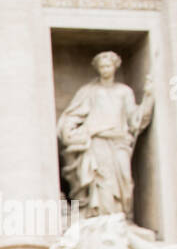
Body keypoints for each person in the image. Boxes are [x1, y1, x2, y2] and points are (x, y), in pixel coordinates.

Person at [57, 51, 154, 222]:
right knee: (102, 181)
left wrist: (148, 97)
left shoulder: (124, 92)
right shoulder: (88, 91)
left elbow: (135, 120)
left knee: (125, 181)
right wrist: (70, 132)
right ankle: (103, 219)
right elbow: (71, 116)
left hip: (119, 141)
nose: (105, 69)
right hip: (97, 140)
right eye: (102, 66)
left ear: (115, 67)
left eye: (108, 66)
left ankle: (122, 218)